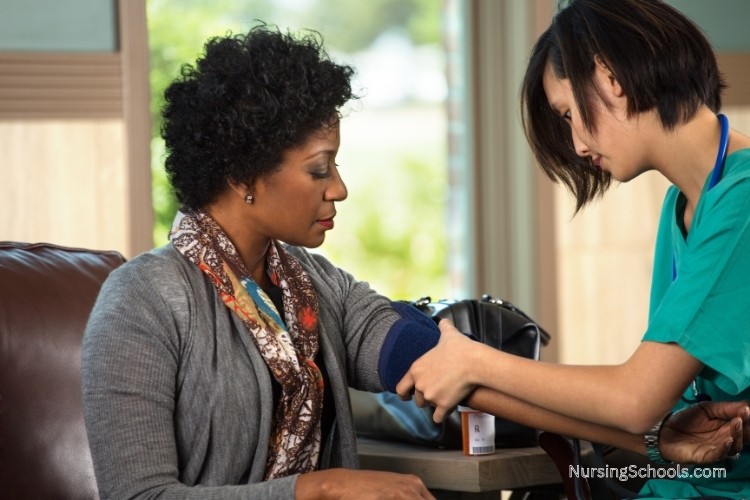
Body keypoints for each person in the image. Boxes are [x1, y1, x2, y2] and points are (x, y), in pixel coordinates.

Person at [82, 17, 743, 500]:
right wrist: (320, 490)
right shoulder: (141, 302)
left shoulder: (315, 288)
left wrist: (650, 442)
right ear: (243, 174)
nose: (339, 188)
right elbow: (139, 497)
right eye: (320, 169)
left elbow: (457, 374)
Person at [397, 0, 750, 498]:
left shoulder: (742, 201)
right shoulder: (684, 205)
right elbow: (648, 412)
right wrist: (468, 373)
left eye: (568, 114)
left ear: (609, 77)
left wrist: (477, 362)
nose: (579, 146)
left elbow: (635, 399)